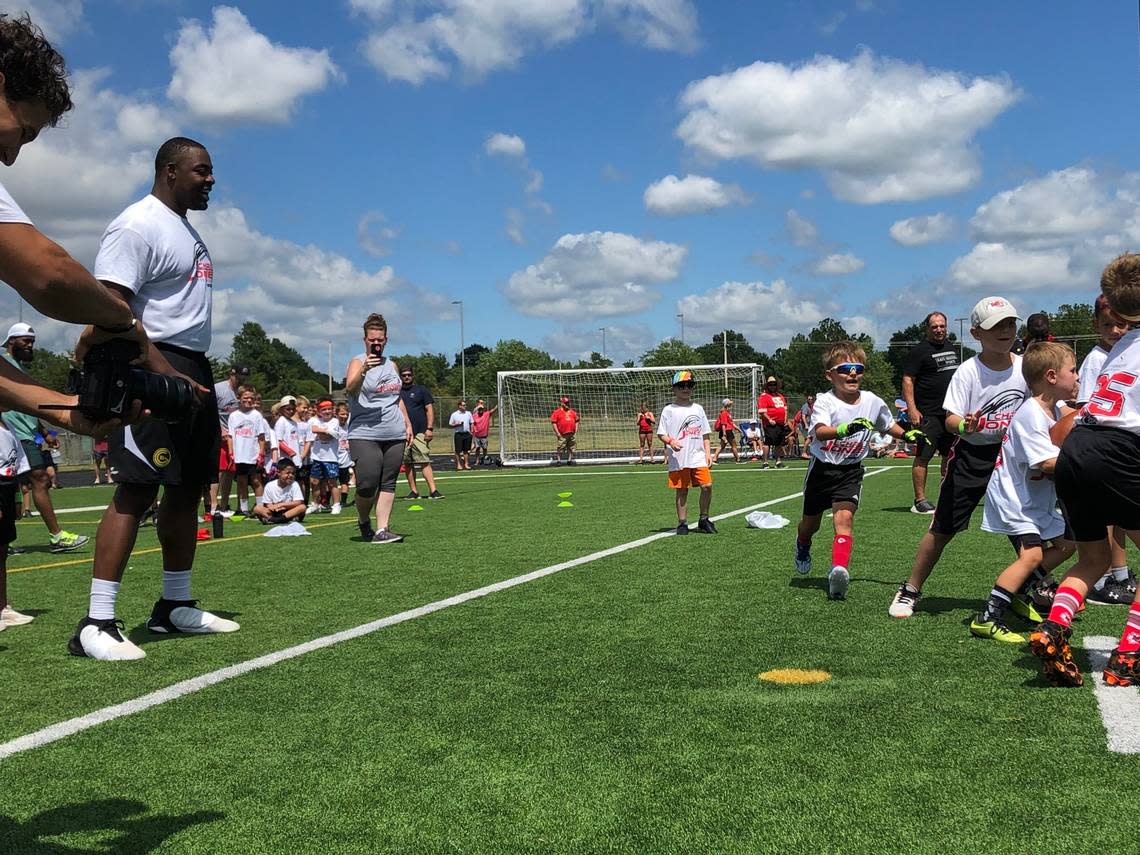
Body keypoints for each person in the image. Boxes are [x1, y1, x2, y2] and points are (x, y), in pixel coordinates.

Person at [68, 137, 238, 662]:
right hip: (152, 365)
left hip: (192, 366)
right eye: (201, 171)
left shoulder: (185, 229)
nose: (211, 180)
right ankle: (96, 622)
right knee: (138, 490)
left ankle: (174, 606)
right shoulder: (137, 224)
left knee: (187, 489)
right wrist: (151, 368)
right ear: (169, 170)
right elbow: (111, 306)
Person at [1031, 253, 1140, 686]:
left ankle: (1054, 628)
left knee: (1093, 557)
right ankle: (1130, 652)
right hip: (1118, 451)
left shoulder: (1122, 347)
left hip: (1078, 451)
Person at [889, 297, 1028, 619]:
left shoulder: (1025, 367)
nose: (1006, 330)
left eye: (1010, 323)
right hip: (972, 456)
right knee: (944, 527)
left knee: (1024, 528)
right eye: (996, 326)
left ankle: (1030, 591)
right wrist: (965, 424)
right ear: (977, 333)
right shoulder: (968, 371)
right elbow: (950, 418)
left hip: (1013, 458)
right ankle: (910, 589)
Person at [794, 343, 925, 600]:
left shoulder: (873, 401)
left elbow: (888, 426)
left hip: (850, 471)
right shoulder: (825, 401)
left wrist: (908, 434)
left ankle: (838, 570)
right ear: (830, 375)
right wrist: (845, 429)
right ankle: (802, 544)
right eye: (845, 369)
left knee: (844, 520)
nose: (852, 374)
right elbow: (819, 431)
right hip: (822, 469)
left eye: (858, 369)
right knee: (811, 525)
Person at [969, 342, 1078, 643]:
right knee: (1031, 555)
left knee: (1068, 544)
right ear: (1052, 376)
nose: (1078, 377)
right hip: (1014, 498)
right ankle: (987, 618)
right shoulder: (1031, 413)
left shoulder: (1054, 408)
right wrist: (1086, 462)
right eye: (1073, 371)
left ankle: (1017, 590)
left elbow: (1077, 420)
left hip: (1035, 497)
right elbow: (1044, 461)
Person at [2, 324, 88, 552]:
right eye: (25, 341)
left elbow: (27, 405)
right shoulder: (5, 364)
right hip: (12, 434)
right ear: (11, 342)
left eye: (32, 341)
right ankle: (56, 536)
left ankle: (8, 540)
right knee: (39, 479)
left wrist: (45, 433)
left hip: (25, 435)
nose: (30, 345)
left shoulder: (20, 369)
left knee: (18, 485)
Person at [1075, 294, 1135, 606]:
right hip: (1107, 449)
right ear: (1096, 325)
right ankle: (1111, 577)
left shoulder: (1127, 351)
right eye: (1107, 324)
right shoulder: (1098, 359)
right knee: (1112, 519)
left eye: (1121, 324)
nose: (1115, 330)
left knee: (1121, 519)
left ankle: (1119, 575)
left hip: (1118, 449)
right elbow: (1086, 408)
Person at [346, 313, 413, 544]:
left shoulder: (391, 364)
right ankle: (364, 519)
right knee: (367, 482)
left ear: (386, 340)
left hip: (394, 432)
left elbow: (395, 397)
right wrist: (364, 369)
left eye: (380, 339)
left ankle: (382, 529)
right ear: (365, 339)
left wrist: (407, 421)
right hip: (364, 432)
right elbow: (351, 390)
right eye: (372, 339)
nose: (376, 343)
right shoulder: (357, 362)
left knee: (388, 481)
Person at [901, 312, 961, 514]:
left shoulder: (952, 348)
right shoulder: (919, 351)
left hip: (950, 414)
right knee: (923, 457)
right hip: (928, 414)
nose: (939, 330)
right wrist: (912, 408)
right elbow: (908, 379)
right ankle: (920, 500)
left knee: (949, 456)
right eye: (934, 326)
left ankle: (947, 495)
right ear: (927, 328)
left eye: (942, 326)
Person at [657, 370, 715, 535]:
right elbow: (661, 433)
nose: (686, 388)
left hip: (698, 456)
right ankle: (682, 523)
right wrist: (670, 441)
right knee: (682, 490)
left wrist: (708, 453)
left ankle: (704, 518)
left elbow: (705, 433)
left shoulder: (698, 408)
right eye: (681, 385)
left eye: (689, 385)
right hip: (679, 457)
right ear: (674, 389)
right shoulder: (669, 410)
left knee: (707, 486)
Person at [0, 413, 30, 629]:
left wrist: (18, 496)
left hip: (8, 486)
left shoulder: (7, 425)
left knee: (2, 549)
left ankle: (3, 607)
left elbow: (18, 461)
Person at [211, 364, 250, 516]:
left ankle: (224, 504)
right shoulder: (219, 389)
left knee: (230, 472)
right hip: (221, 435)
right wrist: (220, 429)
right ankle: (213, 505)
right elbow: (209, 411)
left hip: (237, 438)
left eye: (244, 378)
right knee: (219, 472)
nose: (241, 380)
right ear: (231, 375)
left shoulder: (243, 391)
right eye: (239, 377)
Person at [398, 365, 442, 500]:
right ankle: (414, 491)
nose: (406, 377)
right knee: (408, 463)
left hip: (420, 432)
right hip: (403, 433)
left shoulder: (421, 390)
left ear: (412, 376)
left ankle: (433, 490)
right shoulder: (397, 392)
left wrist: (429, 428)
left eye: (408, 375)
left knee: (424, 460)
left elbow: (429, 408)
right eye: (404, 375)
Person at [227, 387, 268, 518]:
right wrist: (231, 453)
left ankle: (260, 507)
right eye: (245, 397)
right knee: (241, 481)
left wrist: (261, 454)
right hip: (239, 455)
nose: (249, 400)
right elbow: (230, 436)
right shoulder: (233, 416)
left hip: (252, 454)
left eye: (251, 398)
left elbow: (261, 437)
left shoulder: (256, 415)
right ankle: (243, 508)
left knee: (256, 481)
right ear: (239, 398)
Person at [307, 398, 342, 515]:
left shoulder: (335, 422)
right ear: (319, 411)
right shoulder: (314, 420)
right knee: (314, 481)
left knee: (332, 482)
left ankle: (336, 504)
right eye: (324, 409)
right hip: (317, 456)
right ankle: (315, 504)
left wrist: (322, 432)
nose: (327, 411)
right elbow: (313, 429)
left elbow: (329, 437)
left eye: (329, 409)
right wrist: (324, 431)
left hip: (331, 458)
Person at [251, 459, 307, 525]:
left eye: (293, 473)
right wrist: (273, 507)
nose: (291, 475)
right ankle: (277, 519)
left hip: (289, 511)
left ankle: (275, 520)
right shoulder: (270, 485)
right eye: (287, 473)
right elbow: (267, 504)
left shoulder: (294, 484)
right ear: (278, 473)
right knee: (257, 508)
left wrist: (281, 505)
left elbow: (298, 502)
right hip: (274, 511)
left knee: (302, 507)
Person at [757, 376, 789, 468]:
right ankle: (765, 462)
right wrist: (769, 419)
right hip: (770, 423)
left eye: (774, 384)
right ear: (767, 386)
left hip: (781, 423)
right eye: (770, 385)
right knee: (768, 442)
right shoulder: (764, 396)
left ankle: (778, 461)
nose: (772, 386)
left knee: (779, 442)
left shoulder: (780, 396)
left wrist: (785, 419)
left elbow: (785, 409)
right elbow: (762, 411)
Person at [550, 396, 580, 465]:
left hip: (571, 433)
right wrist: (557, 432)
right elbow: (553, 422)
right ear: (562, 403)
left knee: (571, 447)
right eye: (566, 403)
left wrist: (576, 430)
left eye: (568, 403)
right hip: (562, 434)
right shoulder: (557, 412)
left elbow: (577, 420)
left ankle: (569, 460)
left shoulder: (572, 411)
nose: (568, 404)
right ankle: (558, 461)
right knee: (560, 447)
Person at [470, 399, 498, 466]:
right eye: (479, 409)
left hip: (484, 436)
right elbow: (472, 423)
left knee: (485, 448)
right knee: (477, 448)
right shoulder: (474, 415)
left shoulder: (486, 414)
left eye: (481, 409)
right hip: (477, 435)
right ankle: (477, 461)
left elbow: (493, 410)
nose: (480, 410)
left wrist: (497, 406)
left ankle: (484, 459)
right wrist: (473, 430)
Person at [335, 402, 353, 504]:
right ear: (336, 414)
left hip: (345, 459)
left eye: (346, 414)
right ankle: (328, 502)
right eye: (342, 414)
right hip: (334, 458)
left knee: (344, 481)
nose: (344, 416)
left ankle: (344, 501)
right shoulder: (334, 425)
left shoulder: (349, 426)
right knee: (331, 481)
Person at [712, 398, 740, 463]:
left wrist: (738, 429)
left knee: (722, 445)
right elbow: (723, 424)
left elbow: (731, 423)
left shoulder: (727, 412)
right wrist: (724, 433)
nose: (731, 404)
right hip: (727, 431)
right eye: (730, 403)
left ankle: (714, 459)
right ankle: (738, 459)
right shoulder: (724, 412)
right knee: (733, 445)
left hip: (727, 430)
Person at [449, 400, 473, 471]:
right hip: (458, 434)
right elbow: (450, 424)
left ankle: (466, 464)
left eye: (465, 405)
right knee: (458, 451)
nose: (465, 406)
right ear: (459, 406)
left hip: (467, 434)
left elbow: (472, 422)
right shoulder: (454, 414)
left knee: (466, 450)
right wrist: (457, 424)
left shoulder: (468, 413)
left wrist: (471, 431)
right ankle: (459, 465)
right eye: (464, 405)